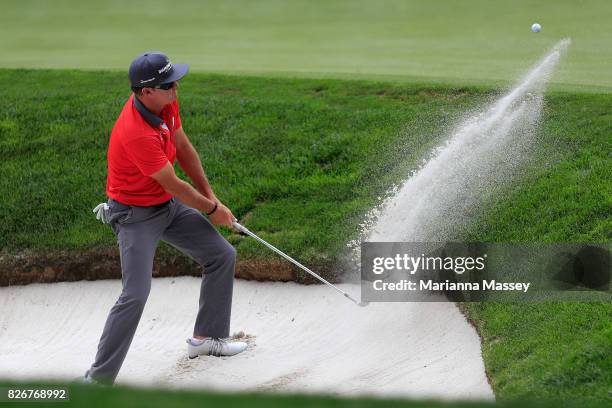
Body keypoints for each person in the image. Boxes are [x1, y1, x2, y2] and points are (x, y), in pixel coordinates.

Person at [85, 51, 246, 385]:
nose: (176, 89)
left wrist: (211, 196)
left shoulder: (166, 105)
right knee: (136, 294)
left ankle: (206, 339)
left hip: (166, 206)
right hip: (134, 215)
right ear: (146, 92)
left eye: (175, 81)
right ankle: (98, 381)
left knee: (221, 255)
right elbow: (172, 183)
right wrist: (212, 211)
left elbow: (184, 148)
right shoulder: (135, 132)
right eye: (168, 84)